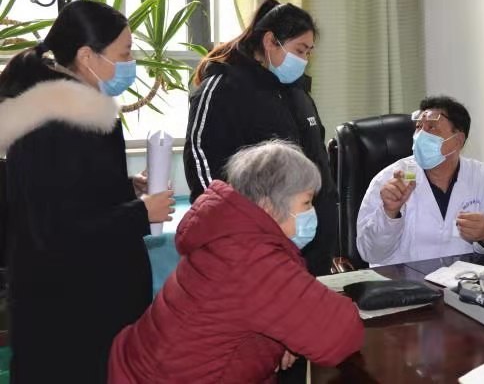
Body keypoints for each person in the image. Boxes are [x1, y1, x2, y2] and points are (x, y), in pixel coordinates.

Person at [0, 0, 175, 383]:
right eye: (124, 54)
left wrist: (126, 188)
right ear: (86, 55)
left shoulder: (79, 111)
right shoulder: (54, 123)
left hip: (82, 305)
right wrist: (140, 213)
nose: (131, 63)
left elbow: (75, 192)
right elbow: (59, 231)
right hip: (69, 314)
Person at [109, 140, 364, 383]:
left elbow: (243, 316)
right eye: (306, 202)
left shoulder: (229, 236)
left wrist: (285, 339)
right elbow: (341, 334)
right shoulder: (252, 260)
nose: (312, 213)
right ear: (268, 206)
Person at [184, 0, 337, 277]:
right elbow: (203, 169)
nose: (304, 60)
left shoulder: (299, 94)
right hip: (254, 253)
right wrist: (236, 234)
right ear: (270, 41)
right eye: (299, 50)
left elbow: (318, 162)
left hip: (312, 252)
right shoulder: (224, 88)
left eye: (308, 52)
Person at [357, 96, 484, 266]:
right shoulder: (390, 179)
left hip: (462, 277)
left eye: (431, 127)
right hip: (404, 279)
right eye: (418, 127)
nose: (420, 135)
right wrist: (389, 213)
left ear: (457, 140)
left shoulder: (483, 176)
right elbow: (369, 253)